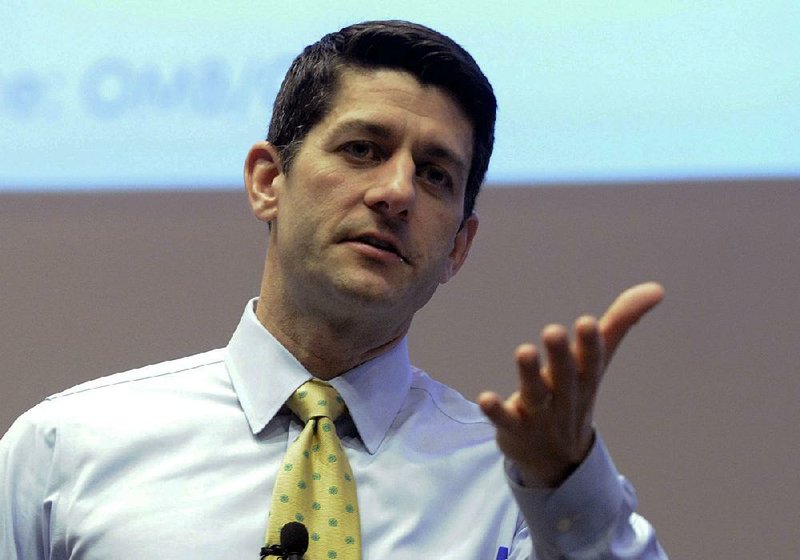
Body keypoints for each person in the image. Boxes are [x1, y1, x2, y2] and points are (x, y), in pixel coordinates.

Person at [0, 20, 668, 559]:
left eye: (436, 175)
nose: (397, 192)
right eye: (362, 149)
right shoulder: (64, 451)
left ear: (458, 247)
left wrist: (566, 483)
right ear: (268, 181)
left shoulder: (516, 488)